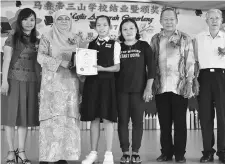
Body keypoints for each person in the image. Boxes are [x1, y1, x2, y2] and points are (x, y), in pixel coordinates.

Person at [150, 8, 195, 163]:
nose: (168, 22)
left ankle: (180, 154)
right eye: (165, 19)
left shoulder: (185, 38)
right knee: (164, 123)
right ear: (161, 21)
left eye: (171, 19)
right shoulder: (155, 39)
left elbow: (190, 62)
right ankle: (166, 153)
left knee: (180, 122)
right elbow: (151, 63)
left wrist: (189, 82)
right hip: (161, 86)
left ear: (176, 20)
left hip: (179, 86)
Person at [37, 10, 81, 164]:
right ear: (54, 21)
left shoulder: (75, 38)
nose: (63, 21)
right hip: (52, 86)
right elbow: (40, 57)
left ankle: (63, 156)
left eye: (66, 19)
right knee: (52, 119)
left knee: (68, 120)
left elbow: (81, 58)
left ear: (70, 21)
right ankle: (48, 156)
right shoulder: (47, 36)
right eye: (60, 18)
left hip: (70, 84)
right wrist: (59, 62)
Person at [194, 9, 225, 164]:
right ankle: (207, 152)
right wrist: (195, 80)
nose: (214, 21)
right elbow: (195, 62)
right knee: (205, 117)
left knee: (223, 117)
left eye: (217, 18)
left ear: (221, 20)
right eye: (211, 18)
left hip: (222, 77)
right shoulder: (198, 38)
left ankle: (223, 152)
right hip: (203, 77)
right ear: (206, 20)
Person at [1, 8, 40, 164]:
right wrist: (4, 82)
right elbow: (6, 61)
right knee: (10, 118)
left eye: (32, 19)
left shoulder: (38, 40)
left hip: (31, 82)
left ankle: (22, 151)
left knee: (24, 118)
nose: (29, 23)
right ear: (19, 21)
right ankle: (11, 152)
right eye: (25, 19)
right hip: (12, 81)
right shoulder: (12, 38)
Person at [80, 15, 121, 164]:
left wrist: (104, 68)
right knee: (94, 118)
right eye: (99, 25)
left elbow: (117, 67)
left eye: (105, 25)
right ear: (95, 27)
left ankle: (108, 154)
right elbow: (83, 66)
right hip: (92, 84)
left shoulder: (115, 44)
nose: (102, 27)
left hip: (108, 84)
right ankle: (93, 153)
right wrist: (81, 71)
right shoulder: (88, 45)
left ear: (109, 27)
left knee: (108, 118)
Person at [116, 18, 155, 164]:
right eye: (125, 29)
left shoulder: (144, 46)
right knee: (123, 122)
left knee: (138, 122)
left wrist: (148, 88)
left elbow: (151, 69)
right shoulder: (117, 47)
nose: (128, 31)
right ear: (121, 32)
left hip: (139, 91)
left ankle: (136, 151)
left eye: (131, 28)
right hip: (121, 91)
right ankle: (125, 152)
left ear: (137, 30)